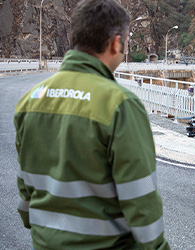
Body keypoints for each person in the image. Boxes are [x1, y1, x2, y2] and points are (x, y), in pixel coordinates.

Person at [14, 0, 169, 249]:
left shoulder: (31, 99)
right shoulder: (120, 104)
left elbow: (26, 188)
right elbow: (140, 199)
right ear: (116, 42)